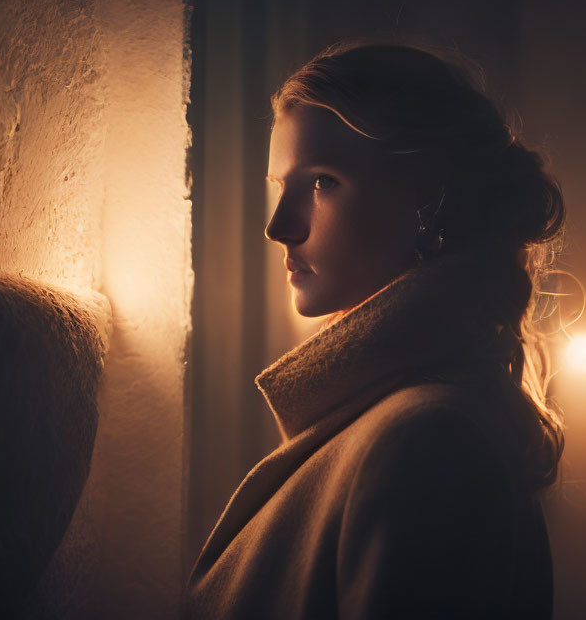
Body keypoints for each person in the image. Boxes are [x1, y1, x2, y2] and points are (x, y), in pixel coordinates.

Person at [183, 39, 565, 619]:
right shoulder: (388, 423)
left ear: (428, 202)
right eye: (279, 185)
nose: (279, 226)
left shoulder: (428, 444)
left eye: (323, 182)